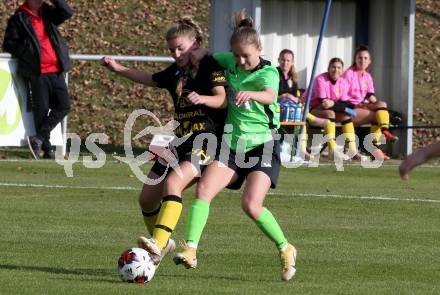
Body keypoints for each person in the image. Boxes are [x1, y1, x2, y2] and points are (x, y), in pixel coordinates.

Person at [173, 9, 298, 282]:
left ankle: (286, 248)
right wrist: (197, 52)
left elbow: (269, 95)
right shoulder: (230, 60)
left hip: (262, 145)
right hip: (231, 145)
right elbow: (207, 57)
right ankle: (190, 250)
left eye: (246, 56)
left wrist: (249, 93)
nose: (240, 61)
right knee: (204, 189)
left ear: (259, 50)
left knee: (251, 204)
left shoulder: (270, 72)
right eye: (237, 55)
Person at [101, 16, 227, 264]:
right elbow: (149, 78)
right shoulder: (176, 72)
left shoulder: (210, 65)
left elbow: (222, 98)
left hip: (207, 139)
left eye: (181, 48)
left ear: (196, 44)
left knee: (173, 185)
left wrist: (203, 99)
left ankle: (156, 246)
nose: (176, 53)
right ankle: (163, 241)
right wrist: (118, 69)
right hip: (180, 140)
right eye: (172, 50)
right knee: (147, 199)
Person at [3, 0, 73, 159]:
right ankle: (47, 150)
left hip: (56, 70)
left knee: (64, 106)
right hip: (37, 72)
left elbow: (67, 12)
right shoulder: (19, 17)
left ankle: (39, 138)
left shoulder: (47, 12)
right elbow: (9, 44)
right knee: (41, 110)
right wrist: (28, 51)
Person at [344, 45, 399, 160]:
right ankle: (376, 147)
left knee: (382, 105)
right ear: (355, 59)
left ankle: (384, 133)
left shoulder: (367, 76)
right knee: (376, 117)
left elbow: (370, 96)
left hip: (361, 107)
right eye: (359, 58)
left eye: (365, 58)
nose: (362, 61)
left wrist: (379, 106)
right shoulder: (349, 74)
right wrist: (359, 105)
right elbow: (342, 96)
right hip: (348, 109)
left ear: (369, 61)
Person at [306, 58, 358, 158]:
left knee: (346, 116)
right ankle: (332, 149)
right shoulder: (320, 79)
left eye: (339, 67)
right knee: (331, 113)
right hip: (309, 109)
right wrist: (340, 106)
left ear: (342, 70)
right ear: (328, 68)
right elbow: (324, 104)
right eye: (333, 67)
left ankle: (352, 150)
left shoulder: (343, 82)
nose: (336, 70)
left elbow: (347, 104)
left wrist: (337, 105)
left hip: (327, 111)